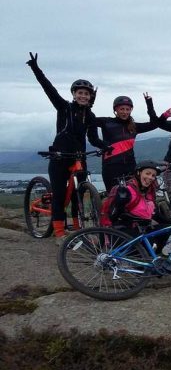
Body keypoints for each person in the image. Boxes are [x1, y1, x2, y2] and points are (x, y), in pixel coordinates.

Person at [26, 52, 111, 243]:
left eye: (86, 93)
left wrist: (106, 147)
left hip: (79, 157)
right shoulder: (64, 108)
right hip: (60, 157)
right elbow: (48, 89)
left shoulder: (90, 116)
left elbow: (94, 139)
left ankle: (78, 228)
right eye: (80, 93)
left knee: (79, 193)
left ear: (90, 97)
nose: (83, 96)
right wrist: (36, 69)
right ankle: (59, 233)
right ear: (74, 94)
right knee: (59, 195)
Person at [95, 94, 160, 192]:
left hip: (130, 166)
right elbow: (88, 119)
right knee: (113, 195)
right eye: (122, 109)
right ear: (116, 110)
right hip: (111, 166)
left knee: (134, 194)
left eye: (127, 109)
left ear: (131, 110)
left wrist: (149, 104)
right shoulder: (106, 122)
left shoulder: (134, 126)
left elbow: (154, 124)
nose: (125, 112)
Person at [99, 160, 160, 232]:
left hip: (144, 227)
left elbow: (152, 213)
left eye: (153, 175)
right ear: (138, 173)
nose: (150, 177)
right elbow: (113, 217)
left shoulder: (149, 193)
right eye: (147, 173)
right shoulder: (126, 191)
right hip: (125, 231)